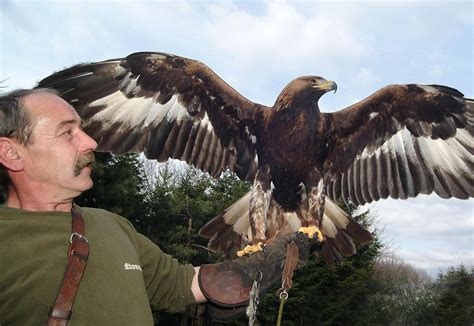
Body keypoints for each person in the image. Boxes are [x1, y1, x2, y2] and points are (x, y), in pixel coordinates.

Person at [0, 88, 317, 325]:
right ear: (11, 153)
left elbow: (180, 285)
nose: (90, 142)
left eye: (82, 128)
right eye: (67, 132)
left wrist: (256, 267)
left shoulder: (112, 226)